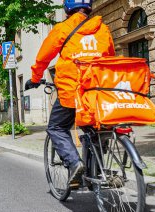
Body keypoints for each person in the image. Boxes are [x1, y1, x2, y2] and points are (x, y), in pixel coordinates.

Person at [25, 0, 115, 187]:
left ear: (67, 9)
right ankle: (95, 174)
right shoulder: (102, 29)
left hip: (72, 90)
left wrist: (34, 79)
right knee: (94, 128)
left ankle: (75, 163)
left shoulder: (62, 28)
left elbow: (43, 58)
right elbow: (110, 58)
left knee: (56, 128)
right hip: (98, 90)